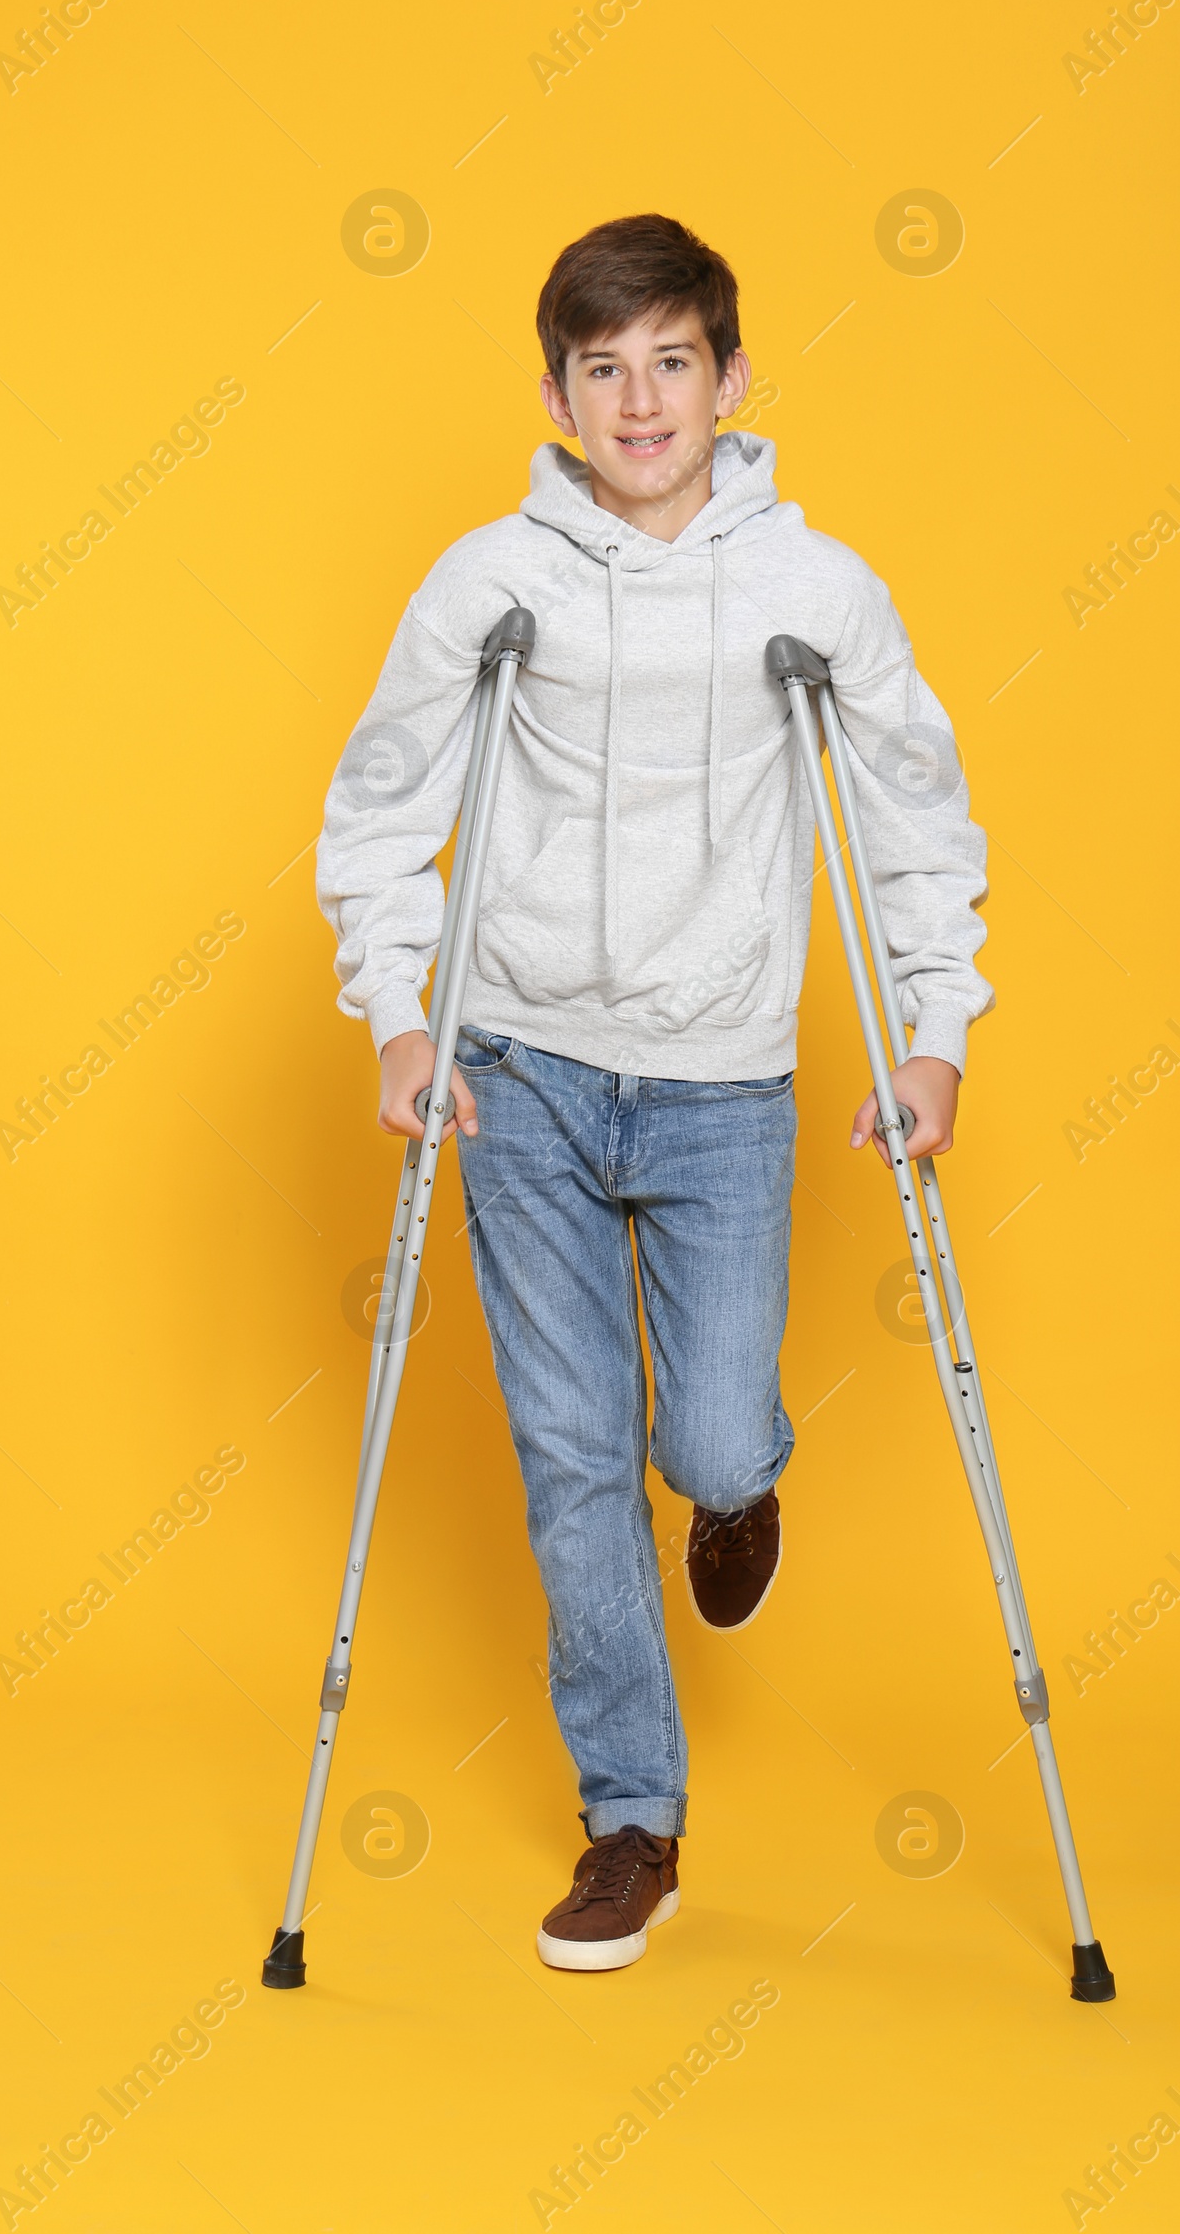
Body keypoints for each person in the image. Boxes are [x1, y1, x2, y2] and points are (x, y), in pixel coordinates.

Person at [317, 213, 991, 1971]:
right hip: (517, 1071)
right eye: (602, 369)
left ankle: (740, 1482)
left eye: (671, 361)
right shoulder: (490, 582)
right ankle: (635, 1820)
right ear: (556, 393)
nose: (639, 400)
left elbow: (915, 820)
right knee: (568, 1457)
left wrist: (933, 1035)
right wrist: (401, 1016)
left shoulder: (816, 590)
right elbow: (381, 812)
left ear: (732, 378)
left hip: (716, 1084)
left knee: (697, 1437)